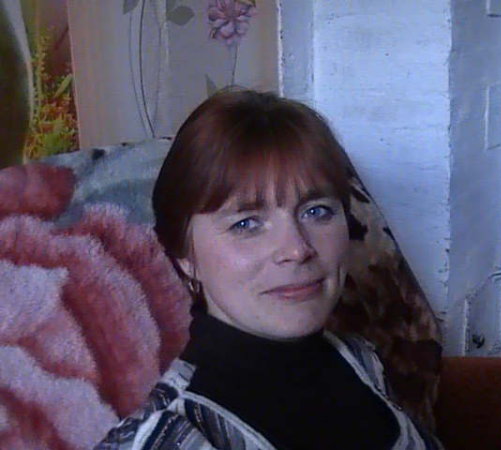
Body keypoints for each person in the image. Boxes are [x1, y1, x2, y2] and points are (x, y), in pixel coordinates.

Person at [96, 89, 442, 449]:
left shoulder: (359, 360)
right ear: (185, 255)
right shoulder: (173, 435)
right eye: (246, 223)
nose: (297, 249)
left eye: (317, 211)